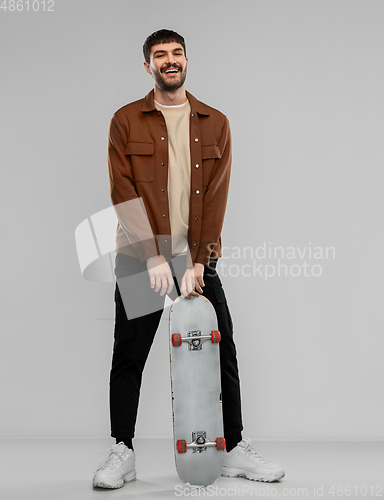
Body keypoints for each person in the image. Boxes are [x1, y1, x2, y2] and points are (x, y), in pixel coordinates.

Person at [92, 29, 285, 489]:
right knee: (130, 354)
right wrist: (153, 257)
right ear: (148, 66)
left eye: (177, 53)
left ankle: (234, 447)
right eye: (161, 55)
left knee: (223, 348)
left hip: (195, 257)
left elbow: (216, 197)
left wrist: (199, 262)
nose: (170, 60)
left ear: (186, 61)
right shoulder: (126, 120)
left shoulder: (214, 122)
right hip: (142, 258)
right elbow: (123, 191)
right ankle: (123, 451)